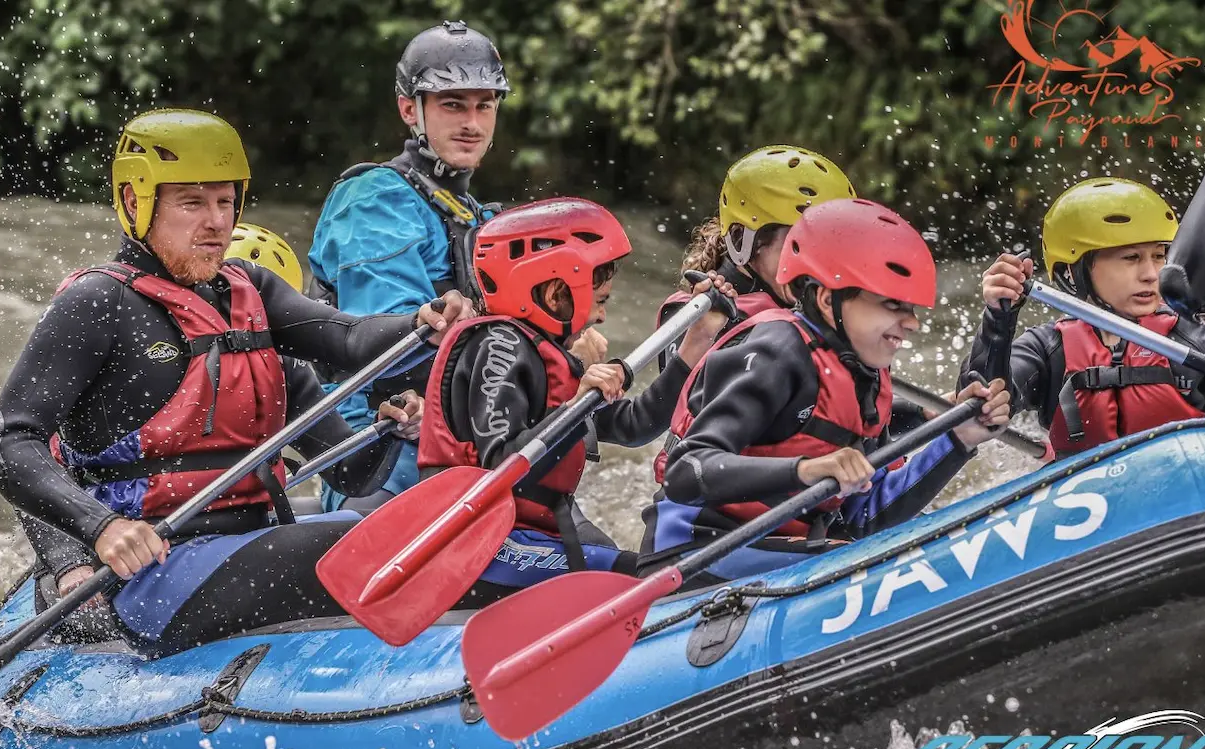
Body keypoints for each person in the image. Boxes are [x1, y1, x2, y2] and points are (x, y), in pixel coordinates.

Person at [0, 109, 474, 656]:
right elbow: (8, 441)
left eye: (225, 201)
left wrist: (420, 323)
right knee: (370, 541)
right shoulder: (98, 303)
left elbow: (348, 338)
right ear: (135, 203)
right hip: (152, 570)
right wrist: (99, 529)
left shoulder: (251, 290)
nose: (216, 222)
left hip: (245, 542)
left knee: (419, 518)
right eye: (192, 203)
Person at [19, 222, 422, 606]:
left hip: (231, 540)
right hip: (124, 562)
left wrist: (388, 431)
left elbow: (348, 474)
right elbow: (32, 466)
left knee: (392, 528)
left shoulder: (274, 366)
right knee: (363, 540)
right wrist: (69, 565)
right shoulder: (126, 352)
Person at [640, 198, 1011, 590]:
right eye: (892, 305)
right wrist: (806, 470)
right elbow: (686, 470)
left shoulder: (865, 378)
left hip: (782, 549)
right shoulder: (775, 351)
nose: (912, 323)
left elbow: (865, 515)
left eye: (912, 308)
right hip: (695, 555)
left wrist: (959, 439)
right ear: (825, 299)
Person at [417, 198, 737, 587]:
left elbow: (635, 426)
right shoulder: (499, 345)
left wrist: (697, 339)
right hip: (476, 543)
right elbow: (503, 464)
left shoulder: (545, 353)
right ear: (554, 294)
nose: (601, 316)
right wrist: (574, 402)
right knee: (654, 581)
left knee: (662, 568)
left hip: (528, 533)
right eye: (600, 301)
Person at [306, 20, 511, 512]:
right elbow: (394, 348)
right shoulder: (373, 199)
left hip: (463, 445)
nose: (473, 123)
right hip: (378, 449)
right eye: (453, 104)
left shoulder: (478, 216)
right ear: (409, 110)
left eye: (485, 105)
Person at [961, 177, 1205, 459]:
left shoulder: (1197, 333)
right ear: (1072, 271)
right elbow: (982, 403)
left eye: (1159, 255)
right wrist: (998, 317)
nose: (1151, 274)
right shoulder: (1047, 348)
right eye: (1130, 258)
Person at [657, 145, 857, 334]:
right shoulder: (688, 316)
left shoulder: (835, 318)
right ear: (741, 240)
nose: (818, 263)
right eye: (801, 244)